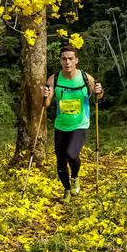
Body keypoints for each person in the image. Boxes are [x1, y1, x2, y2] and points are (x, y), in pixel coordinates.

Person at [41, 44, 104, 202]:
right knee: (61, 162)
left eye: (70, 58)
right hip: (61, 125)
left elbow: (98, 96)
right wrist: (45, 95)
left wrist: (99, 91)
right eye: (64, 59)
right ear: (60, 61)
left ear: (76, 60)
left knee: (72, 154)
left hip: (80, 124)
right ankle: (67, 190)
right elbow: (46, 104)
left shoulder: (85, 78)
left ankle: (75, 176)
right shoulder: (54, 79)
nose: (67, 62)